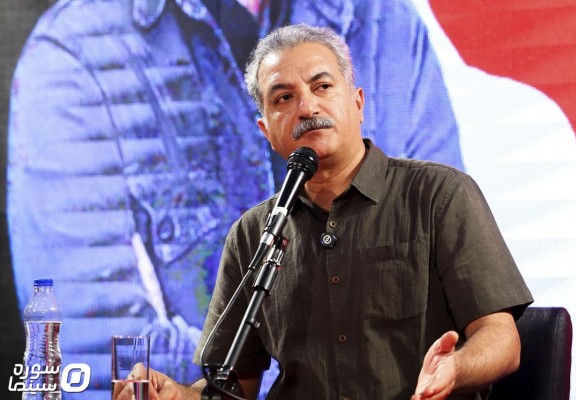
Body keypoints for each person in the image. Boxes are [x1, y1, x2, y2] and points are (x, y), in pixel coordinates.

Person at [119, 23, 534, 400]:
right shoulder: (252, 233)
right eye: (284, 97)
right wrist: (176, 396)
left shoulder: (438, 195)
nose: (307, 107)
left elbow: (502, 340)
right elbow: (232, 388)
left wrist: (455, 368)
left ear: (357, 102)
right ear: (265, 130)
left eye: (322, 87)